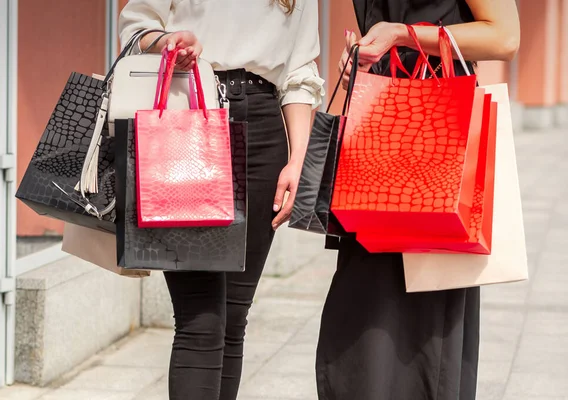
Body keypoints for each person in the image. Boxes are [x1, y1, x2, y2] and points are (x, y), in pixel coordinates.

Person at [119, 1, 323, 399]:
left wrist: (298, 160)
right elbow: (135, 27)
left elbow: (299, 71)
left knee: (233, 318)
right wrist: (167, 43)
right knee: (201, 321)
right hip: (187, 113)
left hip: (265, 130)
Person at [316, 1, 520, 399]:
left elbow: (505, 35)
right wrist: (366, 57)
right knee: (358, 327)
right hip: (380, 129)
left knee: (424, 329)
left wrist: (404, 35)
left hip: (439, 136)